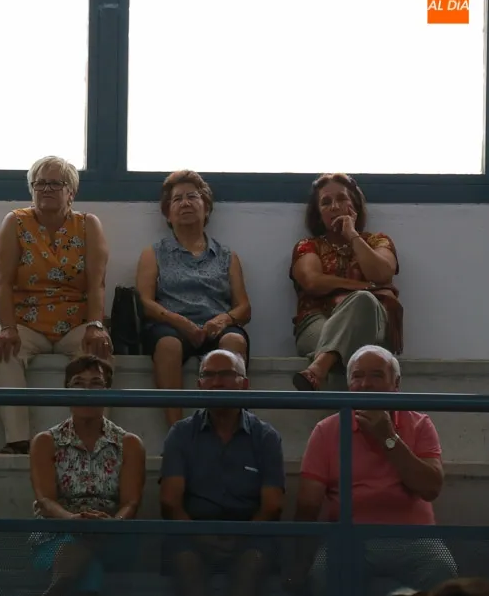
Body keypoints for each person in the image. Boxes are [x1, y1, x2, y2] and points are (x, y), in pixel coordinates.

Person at [286, 345, 457, 596]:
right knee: (324, 574)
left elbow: (431, 487)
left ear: (396, 384)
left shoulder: (419, 423)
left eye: (377, 375)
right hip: (349, 537)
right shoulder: (326, 430)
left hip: (414, 537)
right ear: (349, 385)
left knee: (443, 570)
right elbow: (307, 506)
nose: (366, 384)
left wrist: (387, 437)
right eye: (357, 376)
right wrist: (299, 563)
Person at [0, 156, 112, 454]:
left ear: (71, 192)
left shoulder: (88, 225)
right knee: (3, 353)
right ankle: (18, 440)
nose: (46, 189)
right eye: (40, 183)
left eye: (56, 183)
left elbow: (97, 283)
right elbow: (2, 282)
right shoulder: (16, 222)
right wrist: (7, 327)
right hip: (26, 320)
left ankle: (93, 438)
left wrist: (96, 325)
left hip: (76, 321)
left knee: (99, 351)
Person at [160, 349, 284, 596]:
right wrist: (199, 537)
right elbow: (170, 502)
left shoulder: (265, 437)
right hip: (191, 533)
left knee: (252, 564)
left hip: (251, 534)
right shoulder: (181, 434)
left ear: (244, 384)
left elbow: (272, 506)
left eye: (226, 374)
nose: (216, 382)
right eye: (208, 375)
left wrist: (242, 536)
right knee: (186, 562)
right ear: (199, 385)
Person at [136, 170, 252, 425]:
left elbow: (244, 308)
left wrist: (222, 321)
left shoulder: (227, 256)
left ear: (206, 208)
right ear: (168, 213)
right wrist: (181, 323)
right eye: (177, 199)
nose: (185, 203)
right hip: (170, 325)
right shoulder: (154, 253)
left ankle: (227, 426)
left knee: (234, 340)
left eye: (192, 197)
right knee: (168, 345)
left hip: (216, 325)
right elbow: (144, 302)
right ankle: (176, 430)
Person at [29, 355, 146, 596]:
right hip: (57, 534)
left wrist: (111, 524)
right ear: (66, 392)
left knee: (83, 557)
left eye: (96, 384)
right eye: (78, 384)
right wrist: (74, 521)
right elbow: (45, 501)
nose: (86, 391)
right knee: (86, 565)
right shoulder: (45, 442)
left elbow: (131, 503)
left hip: (112, 534)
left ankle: (58, 588)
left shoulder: (129, 444)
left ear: (108, 392)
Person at [289, 173, 401, 391]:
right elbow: (312, 281)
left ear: (355, 205)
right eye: (326, 202)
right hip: (318, 322)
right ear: (318, 213)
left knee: (363, 301)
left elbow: (382, 273)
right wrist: (366, 286)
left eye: (341, 199)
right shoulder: (308, 245)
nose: (334, 207)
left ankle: (318, 368)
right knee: (359, 308)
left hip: (370, 323)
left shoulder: (377, 241)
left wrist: (352, 234)